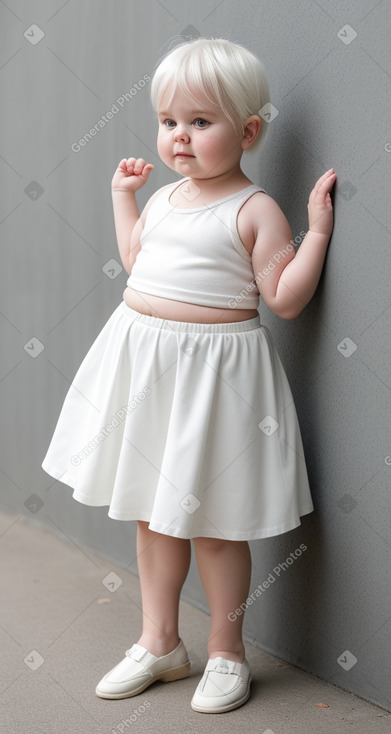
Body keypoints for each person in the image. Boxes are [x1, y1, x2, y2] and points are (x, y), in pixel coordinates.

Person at [41, 37, 336, 714]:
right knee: (153, 512)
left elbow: (284, 299)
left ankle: (227, 652)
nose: (179, 137)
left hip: (215, 381)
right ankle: (160, 642)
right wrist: (124, 196)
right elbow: (135, 259)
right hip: (144, 363)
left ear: (248, 131)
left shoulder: (253, 210)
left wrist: (315, 232)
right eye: (169, 121)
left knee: (213, 521)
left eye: (200, 123)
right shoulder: (169, 200)